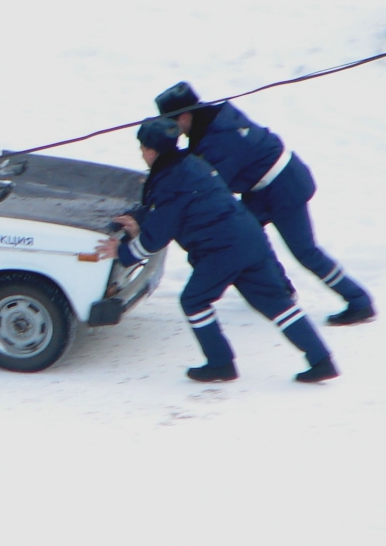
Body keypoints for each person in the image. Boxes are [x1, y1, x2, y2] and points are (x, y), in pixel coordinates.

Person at [94, 117, 338, 383]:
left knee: (194, 300)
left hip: (222, 250)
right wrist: (141, 224)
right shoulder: (190, 163)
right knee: (277, 303)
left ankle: (220, 363)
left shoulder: (170, 181)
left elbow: (158, 236)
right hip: (249, 237)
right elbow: (171, 212)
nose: (141, 153)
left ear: (151, 151)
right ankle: (321, 360)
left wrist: (122, 252)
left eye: (142, 148)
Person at [155, 81, 375, 326]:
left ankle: (359, 301)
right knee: (248, 233)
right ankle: (280, 290)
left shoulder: (219, 137)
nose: (170, 130)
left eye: (170, 123)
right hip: (261, 188)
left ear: (185, 117)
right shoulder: (211, 122)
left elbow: (209, 183)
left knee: (305, 251)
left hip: (284, 186)